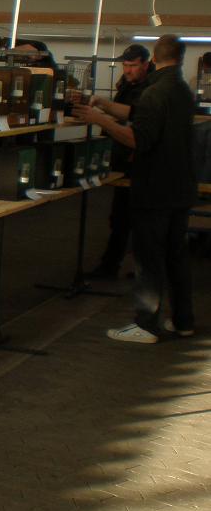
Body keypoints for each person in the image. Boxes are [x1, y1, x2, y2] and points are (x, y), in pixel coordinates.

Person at [73, 35, 196, 343]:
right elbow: (138, 113)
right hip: (180, 187)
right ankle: (183, 321)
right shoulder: (181, 90)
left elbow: (137, 138)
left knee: (149, 258)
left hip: (155, 188)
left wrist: (101, 120)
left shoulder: (156, 92)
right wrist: (104, 105)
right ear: (181, 57)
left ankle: (146, 324)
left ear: (152, 59)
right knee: (175, 258)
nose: (128, 70)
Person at [85, 43, 154, 278]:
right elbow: (124, 113)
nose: (128, 70)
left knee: (134, 217)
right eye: (125, 65)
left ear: (145, 64)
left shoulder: (150, 89)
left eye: (132, 65)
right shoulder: (127, 84)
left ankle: (128, 267)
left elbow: (135, 118)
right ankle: (116, 265)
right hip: (122, 156)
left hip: (138, 160)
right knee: (121, 216)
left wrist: (102, 115)